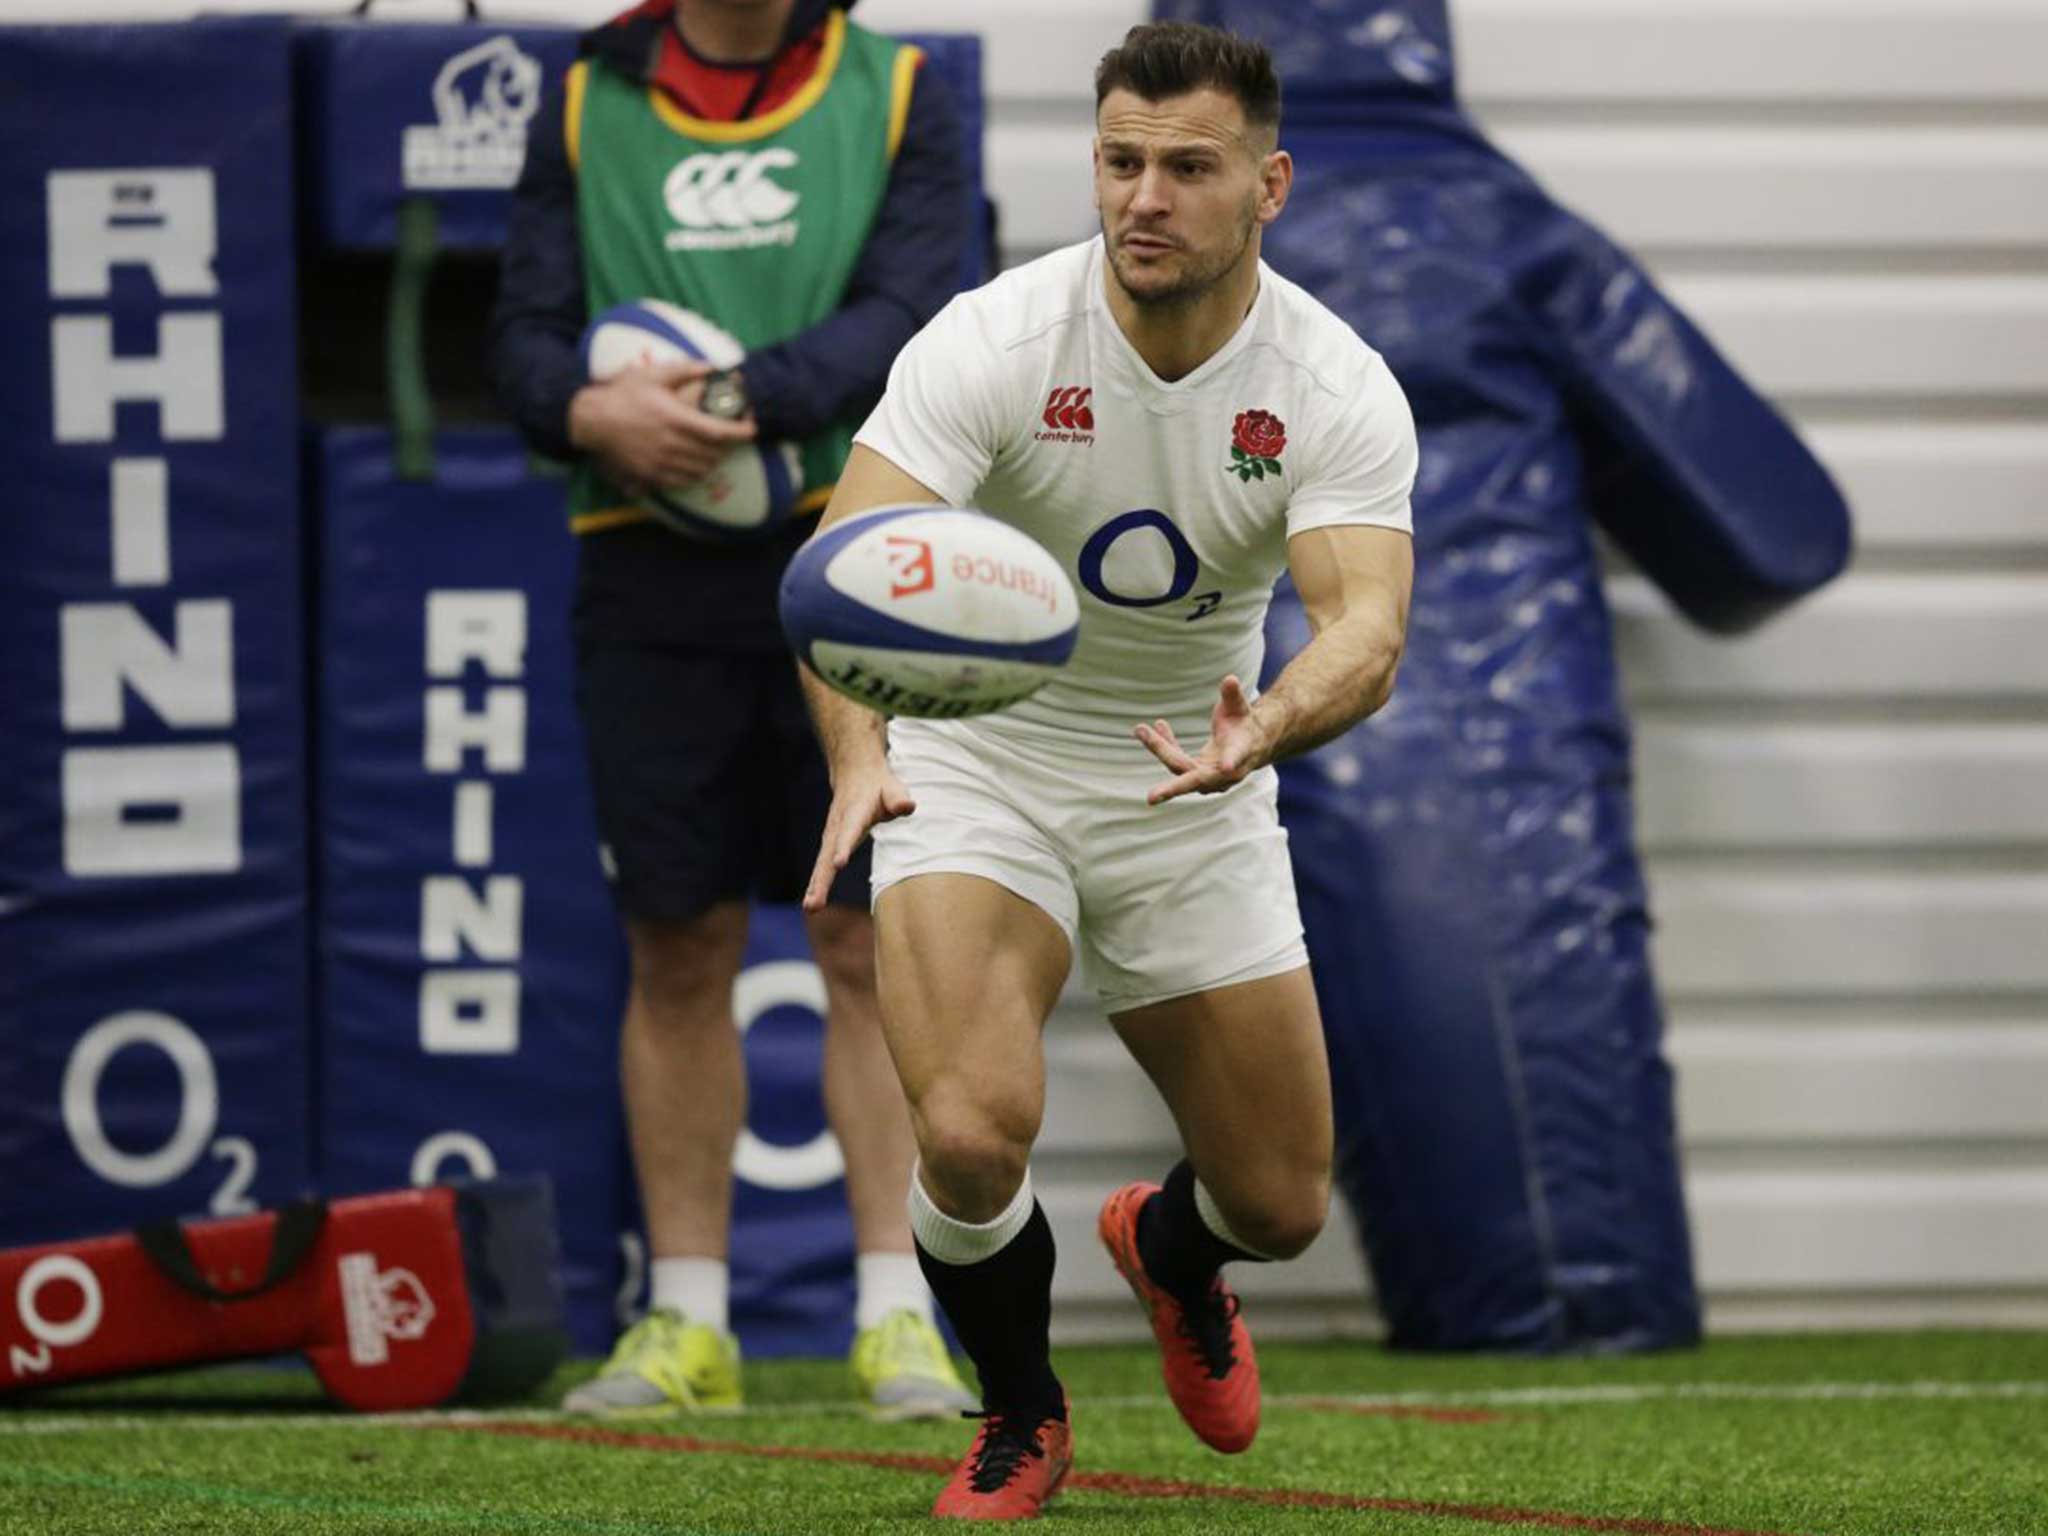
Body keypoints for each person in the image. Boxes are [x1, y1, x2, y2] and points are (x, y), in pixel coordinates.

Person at [795, 19, 1418, 1520]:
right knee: (965, 1124)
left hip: (1195, 771)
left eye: (1187, 169)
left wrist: (1261, 726)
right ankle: (1023, 1414)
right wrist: (861, 757)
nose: (1144, 197)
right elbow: (842, 564)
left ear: (1268, 186)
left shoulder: (1332, 381)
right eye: (1120, 161)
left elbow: (1368, 627)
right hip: (985, 758)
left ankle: (1171, 1251)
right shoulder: (995, 341)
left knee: (1277, 1202)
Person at [488, 0, 976, 1420]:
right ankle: (688, 1320)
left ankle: (898, 1314)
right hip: (642, 569)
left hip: (859, 554)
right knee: (678, 943)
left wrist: (737, 395)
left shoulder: (895, 91)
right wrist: (590, 416)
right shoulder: (588, 95)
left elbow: (913, 314)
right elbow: (520, 335)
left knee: (868, 938)